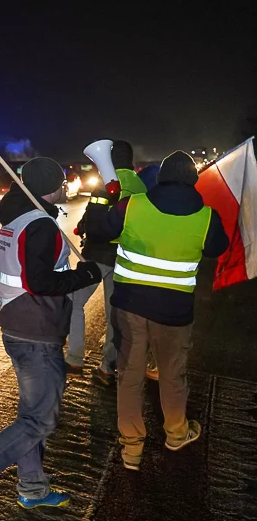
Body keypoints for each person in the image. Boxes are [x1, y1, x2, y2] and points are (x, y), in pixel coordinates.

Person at [0, 157, 103, 517]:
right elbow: (41, 282)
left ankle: (32, 488)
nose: (66, 187)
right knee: (41, 420)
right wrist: (85, 275)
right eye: (62, 182)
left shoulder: (19, 218)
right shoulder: (41, 226)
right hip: (36, 331)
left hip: (21, 325)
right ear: (49, 186)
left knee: (32, 415)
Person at [85, 150, 228, 471]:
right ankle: (176, 432)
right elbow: (217, 248)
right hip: (174, 313)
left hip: (130, 306)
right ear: (194, 180)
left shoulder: (132, 205)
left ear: (161, 177)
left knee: (130, 375)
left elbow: (100, 229)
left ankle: (132, 448)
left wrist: (104, 202)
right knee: (172, 373)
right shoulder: (207, 217)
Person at [67, 140, 147, 382]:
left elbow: (96, 217)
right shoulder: (140, 184)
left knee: (73, 302)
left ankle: (74, 358)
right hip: (125, 257)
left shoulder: (108, 180)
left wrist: (83, 227)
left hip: (98, 254)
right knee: (114, 314)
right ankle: (106, 367)